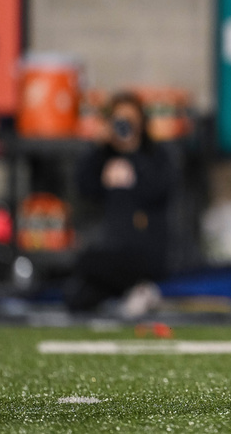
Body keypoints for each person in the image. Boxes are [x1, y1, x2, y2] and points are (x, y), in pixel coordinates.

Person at [64, 91, 173, 317]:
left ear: (141, 124)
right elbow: (84, 189)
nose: (124, 126)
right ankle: (135, 292)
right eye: (119, 120)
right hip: (112, 249)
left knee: (87, 261)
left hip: (145, 249)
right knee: (76, 299)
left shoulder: (155, 155)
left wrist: (133, 152)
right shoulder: (104, 156)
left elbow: (159, 190)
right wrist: (97, 146)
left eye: (130, 121)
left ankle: (141, 288)